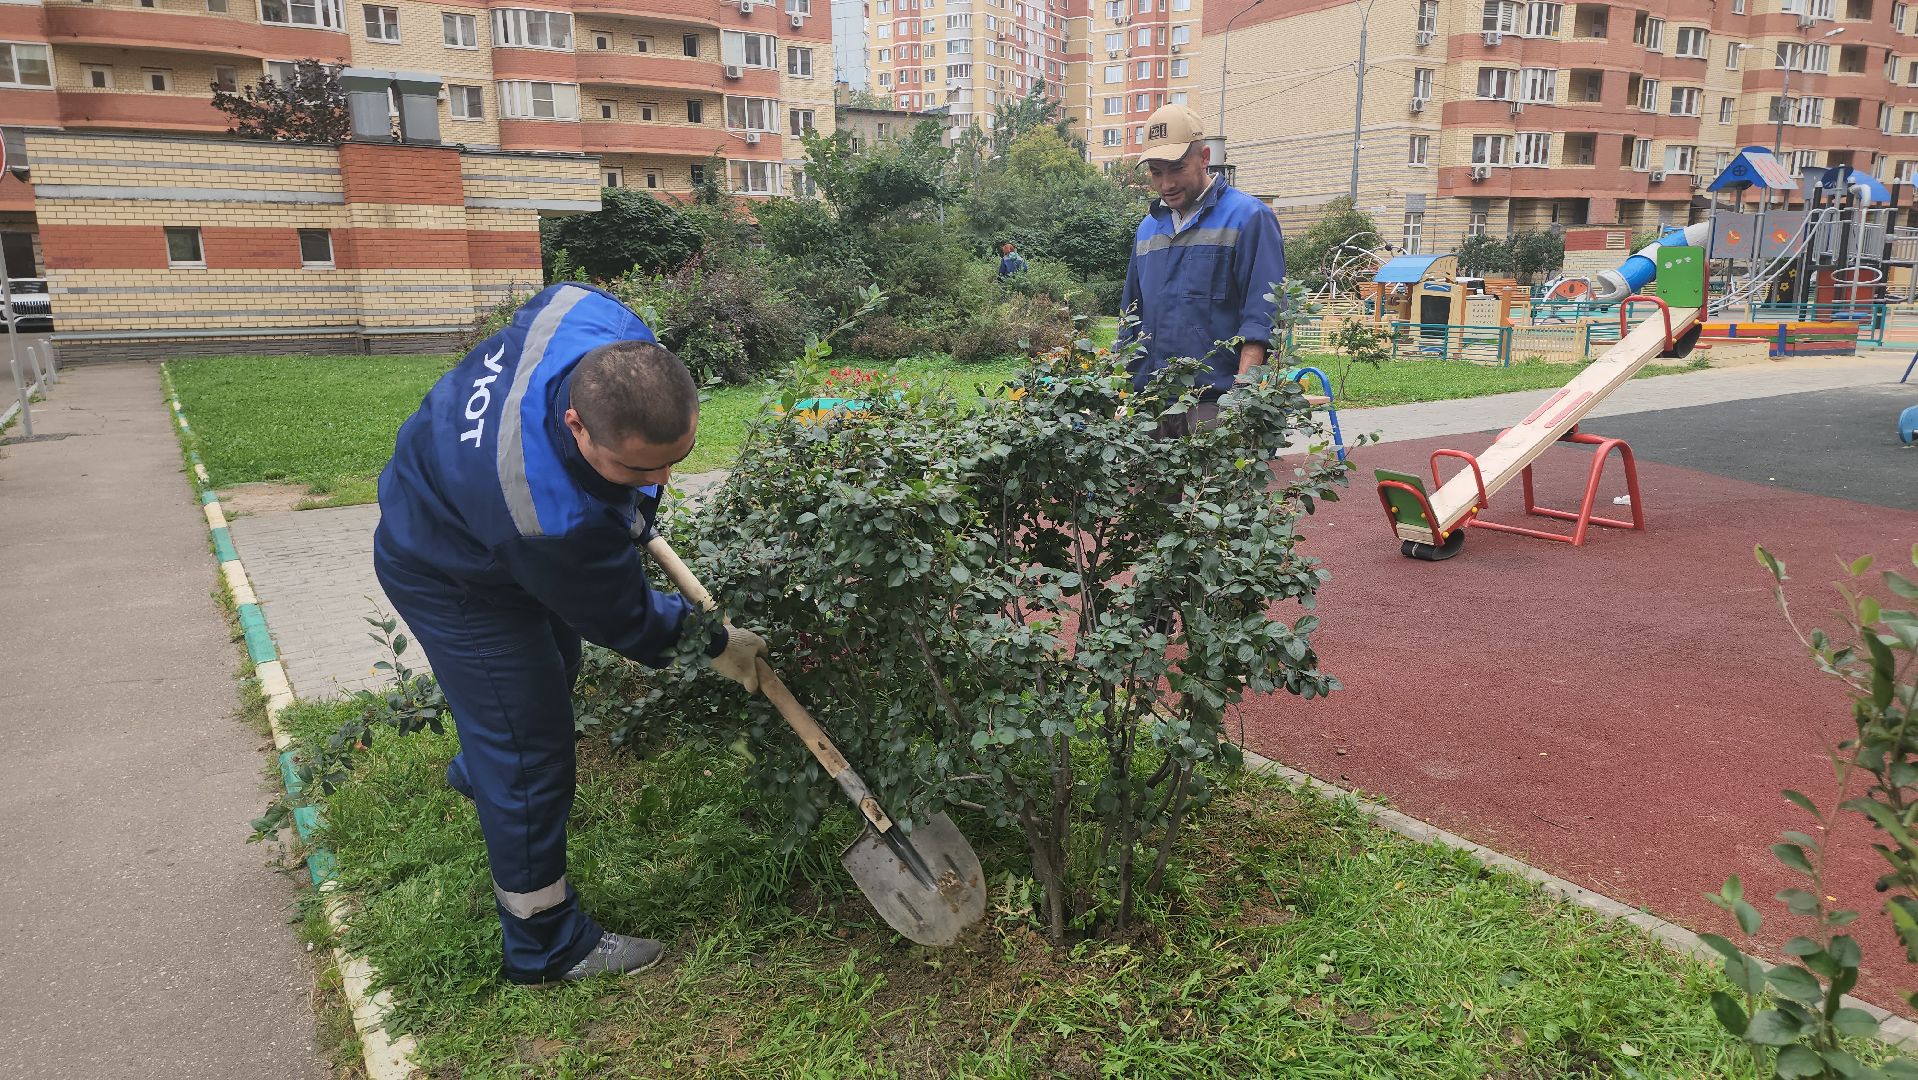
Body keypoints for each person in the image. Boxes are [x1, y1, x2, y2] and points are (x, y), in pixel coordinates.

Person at [372, 282, 769, 985]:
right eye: (640, 469)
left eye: (676, 457)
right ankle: (545, 943)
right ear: (579, 425)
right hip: (449, 571)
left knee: (553, 663)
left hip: (465, 509)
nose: (664, 478)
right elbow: (628, 619)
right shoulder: (547, 518)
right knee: (531, 755)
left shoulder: (589, 316)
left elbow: (620, 490)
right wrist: (714, 642)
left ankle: (480, 772)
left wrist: (628, 492)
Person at [1117, 104, 1286, 435]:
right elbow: (1131, 317)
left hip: (1215, 403)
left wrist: (1243, 399)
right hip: (1153, 401)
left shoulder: (1249, 218)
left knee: (1214, 487)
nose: (1166, 184)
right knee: (1151, 489)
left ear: (1205, 157)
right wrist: (1122, 392)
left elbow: (1262, 317)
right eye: (1156, 172)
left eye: (1176, 168)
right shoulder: (1147, 229)